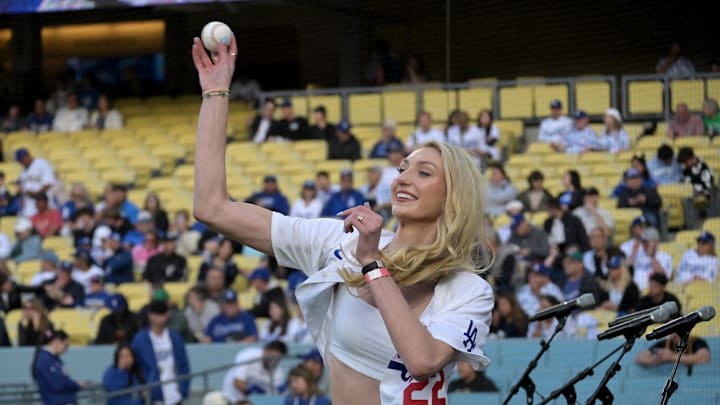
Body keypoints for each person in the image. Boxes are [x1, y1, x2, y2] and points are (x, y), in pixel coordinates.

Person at [192, 38, 493, 403]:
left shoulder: (468, 290)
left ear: (453, 197)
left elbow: (423, 359)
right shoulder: (341, 240)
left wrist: (373, 263)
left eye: (423, 172)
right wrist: (215, 92)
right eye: (402, 168)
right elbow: (212, 208)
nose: (402, 178)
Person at [131, 300, 190, 405]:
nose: (159, 318)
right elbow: (135, 368)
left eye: (162, 314)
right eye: (156, 314)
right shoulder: (140, 340)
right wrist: (141, 389)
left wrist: (183, 389)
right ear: (150, 315)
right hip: (153, 396)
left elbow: (184, 364)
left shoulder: (175, 338)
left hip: (175, 395)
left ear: (167, 315)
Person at [221, 340, 288, 403]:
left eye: (277, 359)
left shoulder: (278, 373)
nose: (273, 361)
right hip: (231, 396)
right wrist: (251, 391)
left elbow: (275, 394)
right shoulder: (248, 355)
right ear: (265, 351)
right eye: (272, 357)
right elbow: (237, 382)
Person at [32, 329, 86, 405]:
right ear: (57, 341)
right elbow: (57, 383)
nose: (67, 348)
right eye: (66, 345)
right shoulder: (45, 359)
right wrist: (76, 385)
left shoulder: (54, 359)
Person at [16, 148, 56, 218]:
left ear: (27, 156)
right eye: (20, 161)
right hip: (29, 205)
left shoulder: (42, 163)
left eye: (22, 159)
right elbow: (24, 188)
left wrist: (37, 195)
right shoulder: (23, 170)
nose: (21, 162)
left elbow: (48, 183)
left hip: (44, 202)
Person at [631, 227, 673, 291]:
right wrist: (633, 253)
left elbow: (663, 277)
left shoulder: (665, 257)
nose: (644, 244)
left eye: (647, 242)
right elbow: (627, 269)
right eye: (643, 242)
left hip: (652, 292)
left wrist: (652, 257)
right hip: (635, 291)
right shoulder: (639, 255)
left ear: (656, 242)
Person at [635, 332, 710, 367]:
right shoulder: (665, 343)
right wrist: (655, 360)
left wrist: (672, 357)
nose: (674, 334)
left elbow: (704, 358)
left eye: (677, 330)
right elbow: (639, 358)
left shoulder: (696, 341)